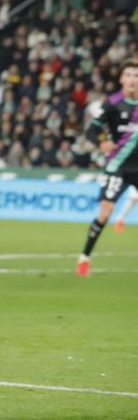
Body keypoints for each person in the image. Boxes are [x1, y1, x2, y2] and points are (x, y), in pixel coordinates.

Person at [77, 61, 138, 275]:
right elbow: (92, 131)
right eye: (128, 74)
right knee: (106, 212)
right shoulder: (112, 104)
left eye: (136, 75)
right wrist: (102, 141)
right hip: (118, 166)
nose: (132, 79)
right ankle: (84, 258)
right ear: (122, 79)